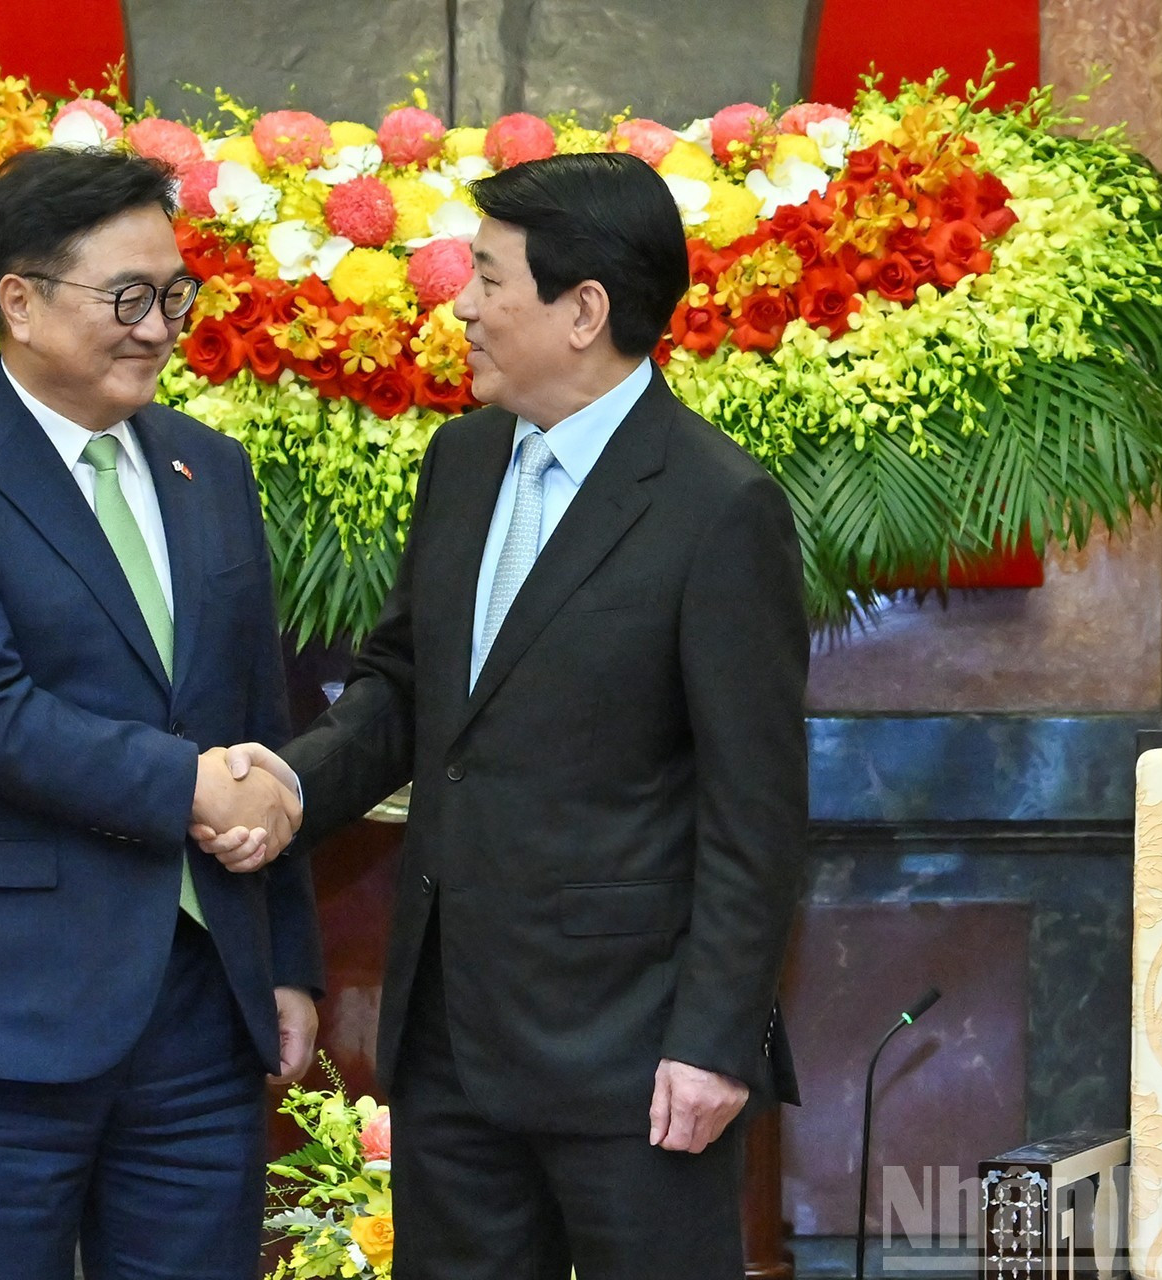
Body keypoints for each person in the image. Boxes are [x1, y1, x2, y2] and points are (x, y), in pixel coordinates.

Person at [198, 152, 809, 1278]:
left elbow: (755, 806)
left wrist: (715, 1040)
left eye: (488, 280)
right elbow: (402, 690)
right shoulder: (463, 460)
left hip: (635, 1055)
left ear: (584, 311)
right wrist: (287, 785)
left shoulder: (719, 507)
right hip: (451, 1042)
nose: (462, 306)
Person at [0, 145, 320, 1280]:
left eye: (174, 295)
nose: (158, 327)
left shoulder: (211, 468)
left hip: (201, 1010)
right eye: (127, 298)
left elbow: (259, 718)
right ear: (19, 298)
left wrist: (285, 955)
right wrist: (189, 785)